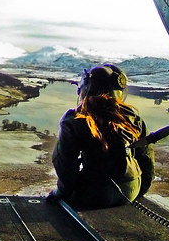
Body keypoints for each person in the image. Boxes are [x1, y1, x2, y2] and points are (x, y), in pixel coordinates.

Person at [50, 63, 157, 208]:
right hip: (131, 189)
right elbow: (146, 159)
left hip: (94, 192)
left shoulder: (75, 120)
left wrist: (61, 192)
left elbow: (64, 162)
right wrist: (140, 190)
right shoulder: (132, 118)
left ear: (86, 88)